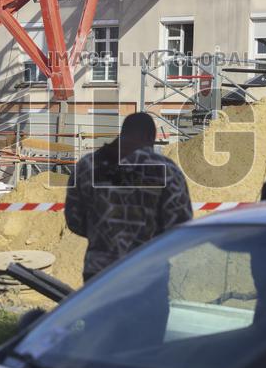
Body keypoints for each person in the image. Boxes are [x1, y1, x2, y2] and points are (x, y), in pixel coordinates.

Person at [65, 112, 192, 282]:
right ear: (150, 137)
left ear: (123, 133)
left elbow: (74, 219)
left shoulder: (87, 165)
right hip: (148, 272)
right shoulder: (168, 171)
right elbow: (180, 223)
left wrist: (103, 235)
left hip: (100, 273)